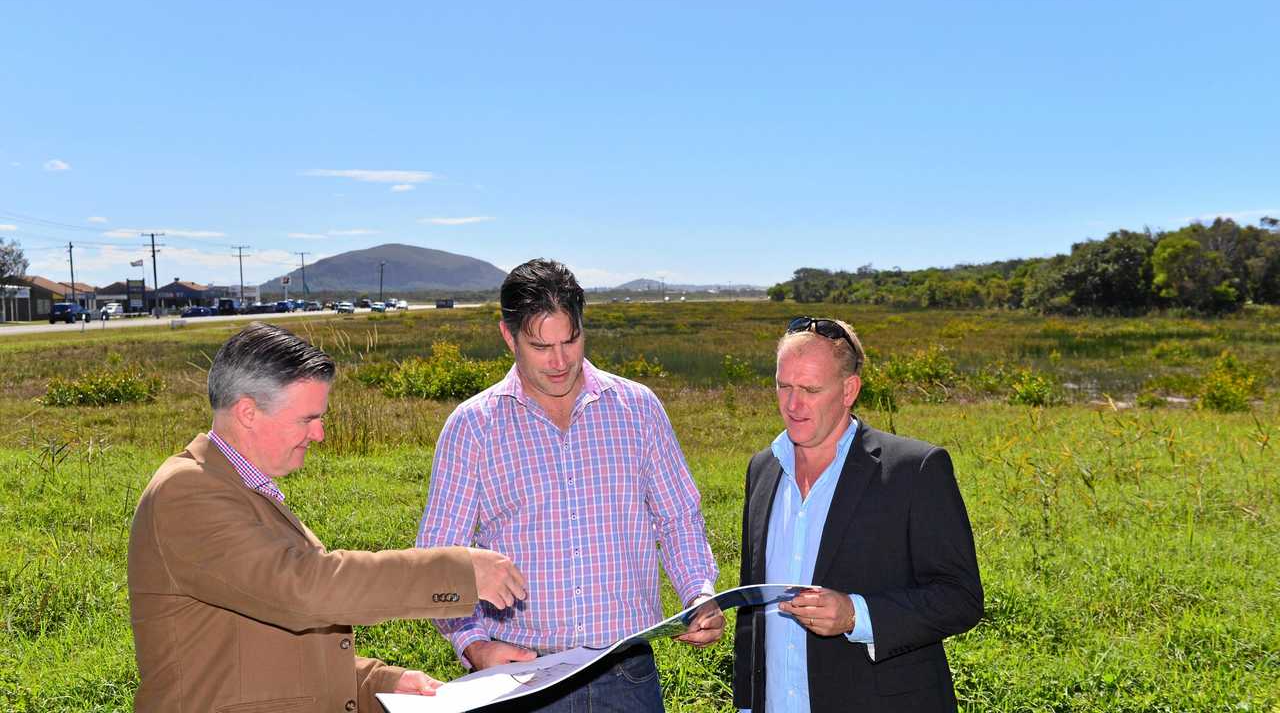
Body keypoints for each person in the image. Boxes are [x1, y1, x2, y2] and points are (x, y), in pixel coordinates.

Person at [128, 322, 528, 713]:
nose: (319, 434)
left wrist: (380, 684)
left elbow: (263, 648)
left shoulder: (242, 488)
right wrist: (459, 571)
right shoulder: (187, 492)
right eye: (307, 418)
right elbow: (303, 590)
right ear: (247, 412)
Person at [417, 258, 724, 712]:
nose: (559, 361)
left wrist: (698, 594)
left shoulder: (638, 409)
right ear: (509, 336)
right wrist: (473, 644)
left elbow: (678, 520)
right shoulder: (473, 427)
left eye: (571, 339)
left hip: (626, 672)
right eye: (541, 346)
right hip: (521, 677)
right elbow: (439, 556)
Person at [733, 317, 983, 712]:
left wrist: (856, 614)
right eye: (784, 386)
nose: (793, 405)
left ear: (849, 390)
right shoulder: (762, 469)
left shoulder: (913, 470)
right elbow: (754, 608)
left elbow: (961, 597)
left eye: (811, 390)